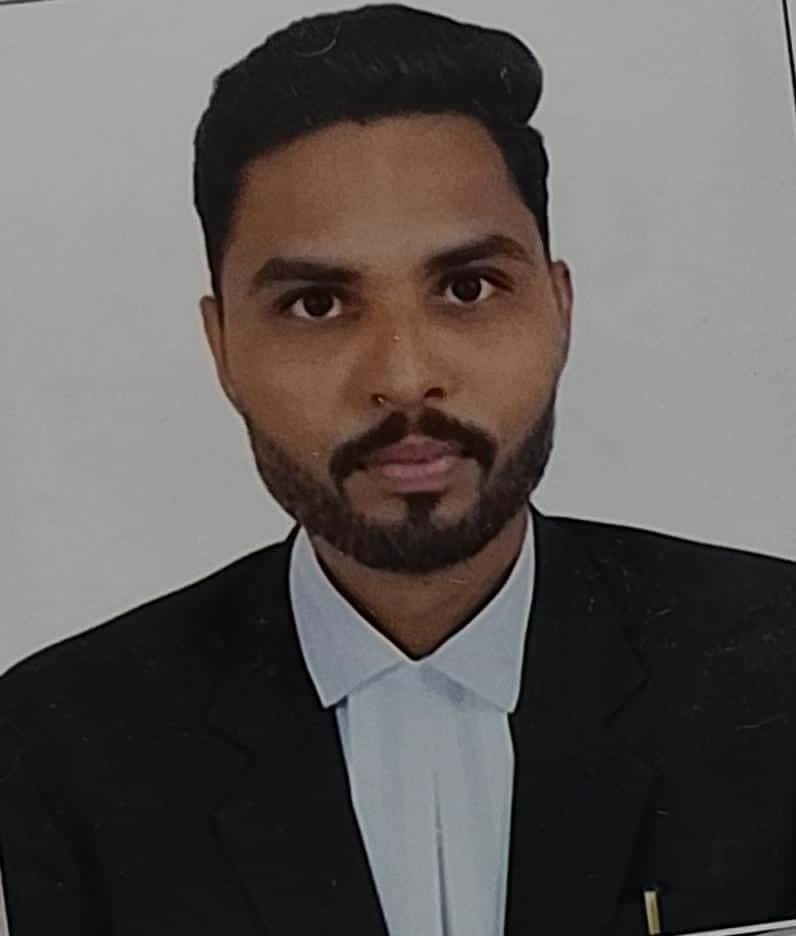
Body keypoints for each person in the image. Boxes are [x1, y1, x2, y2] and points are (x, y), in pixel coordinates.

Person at [0, 4, 794, 935]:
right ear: (222, 348)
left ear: (558, 309)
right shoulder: (56, 746)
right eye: (317, 303)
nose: (405, 376)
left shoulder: (774, 664)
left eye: (467, 287)